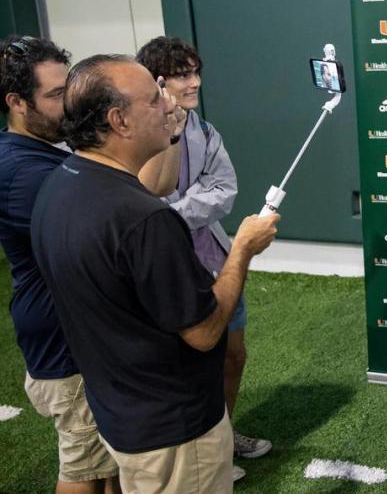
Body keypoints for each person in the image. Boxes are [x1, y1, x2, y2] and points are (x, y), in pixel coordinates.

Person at [31, 54, 280, 494]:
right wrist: (241, 249)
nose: (170, 106)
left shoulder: (60, 184)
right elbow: (203, 332)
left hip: (121, 414)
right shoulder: (143, 219)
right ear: (118, 121)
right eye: (153, 99)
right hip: (173, 432)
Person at [0, 36, 182, 493]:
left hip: (76, 343)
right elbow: (134, 199)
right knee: (87, 472)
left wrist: (164, 131)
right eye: (57, 96)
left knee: (105, 471)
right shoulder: (26, 172)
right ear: (16, 103)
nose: (71, 105)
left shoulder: (42, 156)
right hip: (65, 351)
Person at [136, 36, 271, 481]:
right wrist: (173, 216)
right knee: (188, 362)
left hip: (214, 258)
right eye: (182, 74)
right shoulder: (133, 132)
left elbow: (223, 193)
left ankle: (225, 437)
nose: (194, 82)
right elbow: (136, 198)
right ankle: (201, 452)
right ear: (157, 82)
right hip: (163, 266)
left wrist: (172, 215)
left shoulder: (206, 131)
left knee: (234, 354)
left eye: (196, 72)